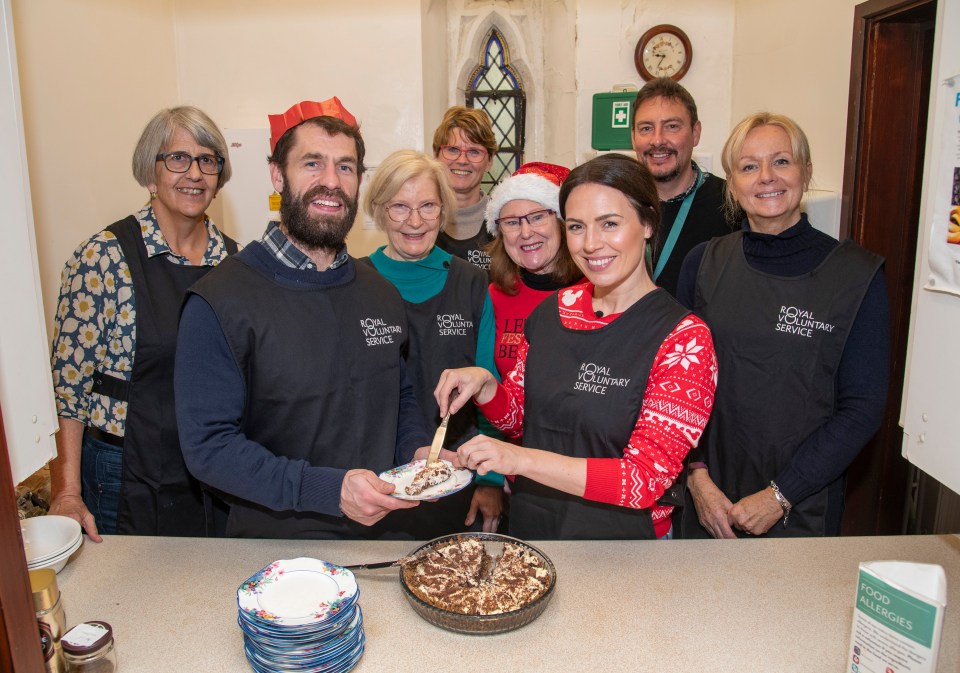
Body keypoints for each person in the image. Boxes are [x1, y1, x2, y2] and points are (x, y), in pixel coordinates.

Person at [175, 98, 432, 539]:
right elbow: (209, 448)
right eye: (312, 164)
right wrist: (328, 489)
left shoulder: (381, 294)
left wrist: (418, 450)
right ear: (278, 175)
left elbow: (401, 395)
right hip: (274, 554)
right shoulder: (219, 300)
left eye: (346, 167)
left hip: (378, 537)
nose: (331, 182)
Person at [435, 153, 718, 540]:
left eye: (610, 224)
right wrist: (486, 385)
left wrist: (520, 459)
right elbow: (519, 420)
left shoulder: (684, 340)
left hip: (623, 546)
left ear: (648, 224)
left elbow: (642, 480)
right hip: (536, 525)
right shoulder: (554, 309)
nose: (591, 244)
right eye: (577, 227)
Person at [677, 112, 890, 539]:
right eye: (749, 166)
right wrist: (696, 476)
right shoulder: (703, 263)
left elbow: (862, 408)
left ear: (806, 172)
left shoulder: (856, 276)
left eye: (782, 162)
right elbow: (676, 384)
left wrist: (780, 495)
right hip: (709, 499)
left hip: (801, 502)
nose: (766, 177)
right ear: (733, 183)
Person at [48, 106, 239, 540]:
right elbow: (68, 390)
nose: (194, 173)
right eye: (178, 158)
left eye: (208, 160)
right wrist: (66, 491)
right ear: (150, 173)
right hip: (124, 472)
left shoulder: (235, 263)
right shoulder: (103, 258)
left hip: (213, 469)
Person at [361, 149, 504, 534]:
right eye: (399, 207)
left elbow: (489, 385)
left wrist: (490, 481)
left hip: (456, 474)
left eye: (427, 206)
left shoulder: (471, 282)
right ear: (378, 209)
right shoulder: (356, 283)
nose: (414, 221)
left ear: (443, 211)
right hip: (376, 482)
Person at [631, 77, 734, 296]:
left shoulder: (732, 205)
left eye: (672, 126)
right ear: (633, 138)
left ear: (695, 133)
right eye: (646, 128)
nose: (657, 140)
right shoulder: (619, 202)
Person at [484, 161, 582, 382]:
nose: (526, 232)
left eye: (537, 217)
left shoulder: (596, 293)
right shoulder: (495, 297)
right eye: (512, 222)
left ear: (561, 223)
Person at [431, 106, 498, 270]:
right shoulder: (419, 218)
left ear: (489, 161)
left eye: (474, 152)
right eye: (452, 149)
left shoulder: (503, 222)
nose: (462, 160)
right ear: (436, 155)